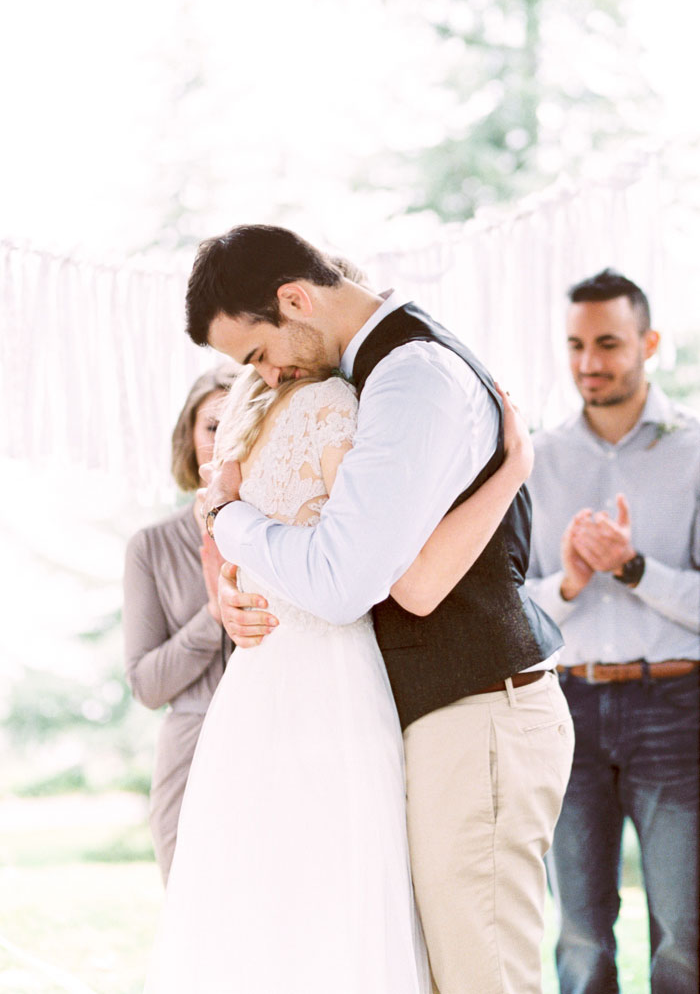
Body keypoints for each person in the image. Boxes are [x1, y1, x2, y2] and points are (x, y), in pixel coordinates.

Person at [188, 224, 573, 994]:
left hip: (479, 709)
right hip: (432, 714)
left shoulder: (412, 377)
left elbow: (348, 579)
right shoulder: (373, 373)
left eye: (258, 353)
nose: (264, 377)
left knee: (482, 976)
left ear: (294, 298)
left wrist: (227, 517)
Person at [144, 353, 535, 994]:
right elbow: (376, 580)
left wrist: (229, 585)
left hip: (256, 686)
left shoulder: (250, 415)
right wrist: (515, 467)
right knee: (342, 882)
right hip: (329, 673)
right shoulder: (334, 405)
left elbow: (223, 554)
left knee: (264, 892)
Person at [525, 269, 700, 994]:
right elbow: (513, 607)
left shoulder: (694, 449)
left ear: (648, 343)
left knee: (684, 944)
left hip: (675, 710)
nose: (589, 363)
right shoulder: (535, 457)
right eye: (575, 345)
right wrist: (569, 581)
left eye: (607, 344)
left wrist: (631, 569)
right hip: (566, 711)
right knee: (581, 942)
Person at [123, 365, 236, 883]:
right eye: (213, 426)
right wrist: (213, 613)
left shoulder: (292, 536)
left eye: (242, 422)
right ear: (189, 438)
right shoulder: (151, 547)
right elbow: (147, 685)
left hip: (283, 742)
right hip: (189, 752)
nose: (225, 439)